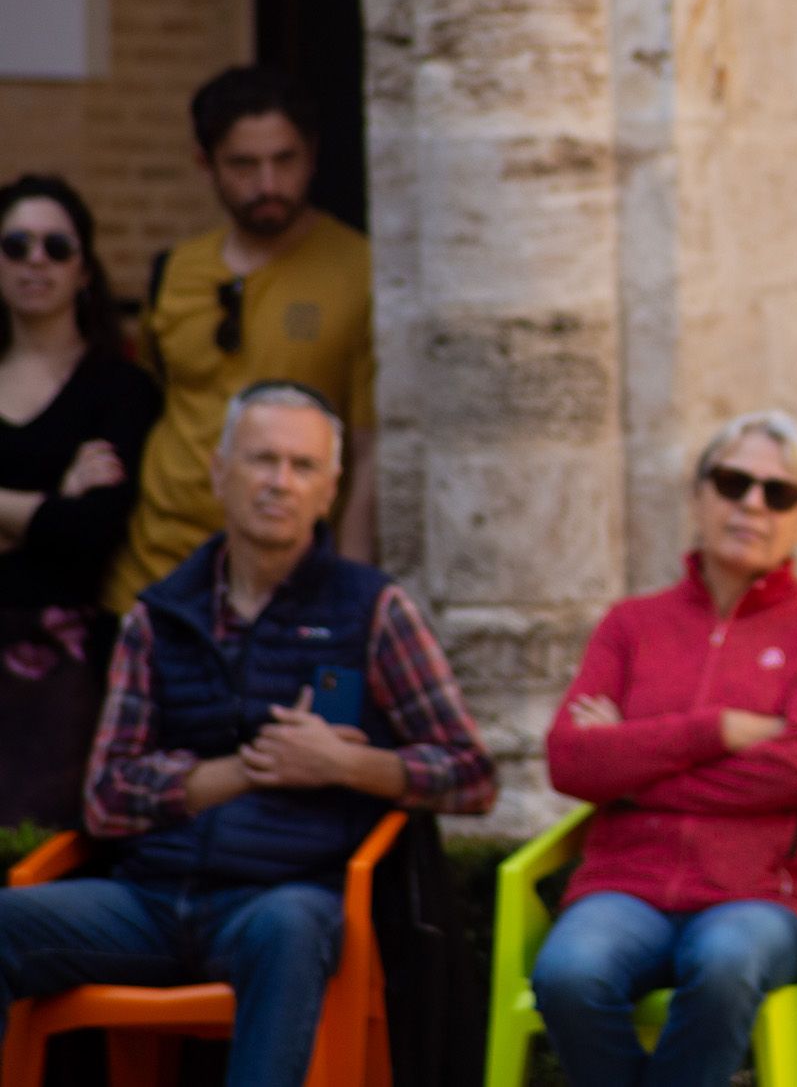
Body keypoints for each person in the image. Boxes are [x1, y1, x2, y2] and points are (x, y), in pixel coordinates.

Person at [0, 380, 496, 1087]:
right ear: (219, 471)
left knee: (289, 927)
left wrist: (346, 765)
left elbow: (472, 774)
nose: (279, 482)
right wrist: (243, 769)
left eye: (302, 467)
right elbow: (108, 797)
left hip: (284, 895)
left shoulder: (374, 610)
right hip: (147, 901)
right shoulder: (157, 615)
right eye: (262, 460)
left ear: (329, 490)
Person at [532, 410, 797, 1087]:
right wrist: (714, 731)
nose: (751, 503)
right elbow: (569, 760)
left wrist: (628, 766)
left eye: (779, 493)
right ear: (698, 496)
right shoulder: (631, 625)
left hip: (761, 900)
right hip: (623, 888)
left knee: (725, 964)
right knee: (566, 972)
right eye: (732, 481)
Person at [104, 66, 377, 613]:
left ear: (313, 155)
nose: (268, 184)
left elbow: (372, 442)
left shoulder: (361, 270)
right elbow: (156, 401)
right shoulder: (177, 269)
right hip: (155, 573)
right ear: (205, 164)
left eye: (285, 160)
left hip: (289, 575)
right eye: (244, 165)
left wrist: (352, 578)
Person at [0, 175, 161, 826]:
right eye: (15, 244)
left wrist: (27, 518)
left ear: (85, 269)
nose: (35, 260)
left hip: (65, 665)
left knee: (39, 848)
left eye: (56, 246)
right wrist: (51, 500)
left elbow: (93, 530)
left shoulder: (120, 388)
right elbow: (64, 522)